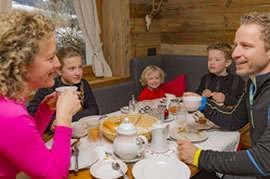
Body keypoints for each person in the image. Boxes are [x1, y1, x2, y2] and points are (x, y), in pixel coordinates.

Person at [177, 12, 270, 179]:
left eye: (246, 46)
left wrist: (199, 156)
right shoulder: (252, 84)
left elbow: (264, 161)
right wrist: (202, 103)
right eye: (236, 45)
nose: (234, 53)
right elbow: (234, 119)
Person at [0, 10, 81, 178]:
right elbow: (57, 176)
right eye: (51, 58)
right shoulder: (9, 115)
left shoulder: (10, 97)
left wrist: (45, 109)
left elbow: (24, 142)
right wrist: (64, 118)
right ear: (22, 65)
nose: (58, 64)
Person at [27, 46, 99, 132]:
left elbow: (93, 110)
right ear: (59, 71)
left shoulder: (84, 84)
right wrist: (51, 123)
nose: (78, 73)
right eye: (72, 68)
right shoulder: (48, 87)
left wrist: (64, 120)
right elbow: (32, 114)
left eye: (80, 67)